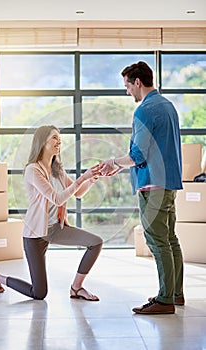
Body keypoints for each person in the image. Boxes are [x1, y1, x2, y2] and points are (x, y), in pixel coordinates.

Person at [100, 61, 184, 314]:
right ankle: (175, 293)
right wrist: (120, 166)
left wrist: (113, 162)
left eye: (127, 85)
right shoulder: (168, 106)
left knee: (157, 241)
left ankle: (165, 299)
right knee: (169, 238)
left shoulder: (145, 110)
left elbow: (138, 154)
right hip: (168, 182)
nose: (127, 92)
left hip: (152, 185)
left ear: (137, 82)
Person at [0, 125, 103, 301]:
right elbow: (57, 198)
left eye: (59, 138)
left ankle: (76, 288)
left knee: (95, 242)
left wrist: (93, 178)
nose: (59, 141)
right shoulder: (33, 170)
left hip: (56, 228)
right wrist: (83, 178)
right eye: (54, 138)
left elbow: (78, 193)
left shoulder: (57, 170)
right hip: (35, 235)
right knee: (39, 293)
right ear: (42, 142)